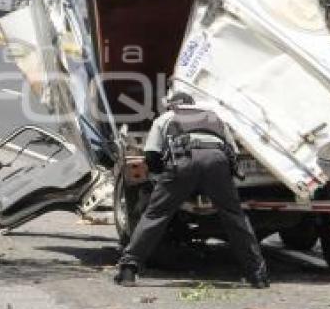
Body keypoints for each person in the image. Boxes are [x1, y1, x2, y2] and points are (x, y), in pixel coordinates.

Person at [114, 91, 269, 288]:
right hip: (217, 161)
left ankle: (128, 270)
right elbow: (233, 154)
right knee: (234, 216)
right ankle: (257, 275)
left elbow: (151, 156)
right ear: (193, 105)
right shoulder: (214, 117)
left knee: (155, 215)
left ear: (172, 105)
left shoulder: (166, 117)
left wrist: (165, 180)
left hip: (182, 162)